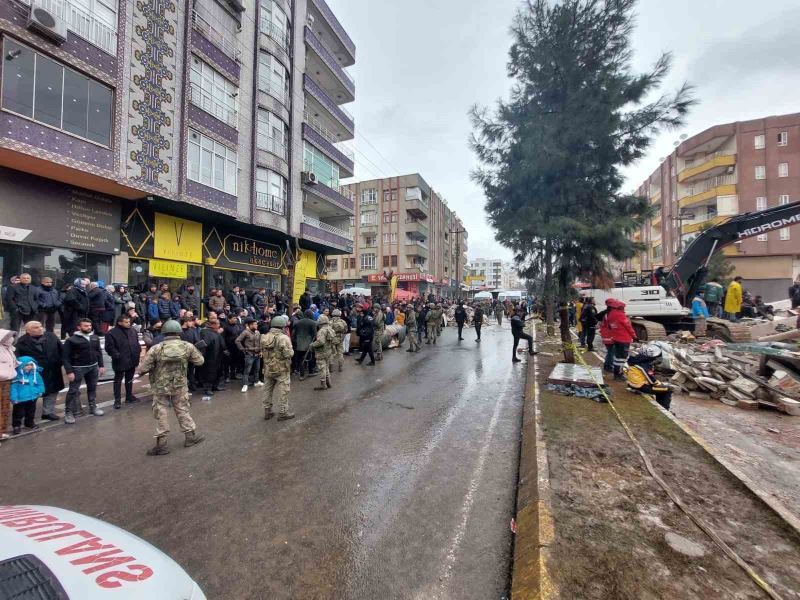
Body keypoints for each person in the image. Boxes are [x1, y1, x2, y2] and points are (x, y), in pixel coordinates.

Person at [138, 320, 206, 456]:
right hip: (180, 384)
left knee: (161, 413)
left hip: (160, 386)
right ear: (179, 332)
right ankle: (190, 437)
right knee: (182, 410)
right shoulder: (187, 346)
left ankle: (161, 445)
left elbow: (142, 369)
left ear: (164, 332)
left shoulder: (156, 348)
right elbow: (200, 361)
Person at [15, 321, 63, 421]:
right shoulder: (21, 342)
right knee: (32, 394)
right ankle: (26, 419)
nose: (40, 328)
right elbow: (18, 358)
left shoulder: (51, 336)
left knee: (52, 392)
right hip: (34, 373)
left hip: (53, 370)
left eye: (41, 326)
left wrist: (60, 362)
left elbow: (61, 350)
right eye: (36, 327)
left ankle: (48, 412)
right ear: (28, 331)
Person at [62, 318, 105, 423]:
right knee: (73, 390)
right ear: (79, 327)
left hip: (93, 366)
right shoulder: (71, 340)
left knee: (92, 388)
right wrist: (69, 371)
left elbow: (98, 352)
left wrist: (101, 365)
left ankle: (93, 407)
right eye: (85, 326)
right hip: (78, 368)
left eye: (90, 325)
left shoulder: (95, 337)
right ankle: (68, 412)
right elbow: (65, 357)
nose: (89, 327)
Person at [260, 314, 295, 421]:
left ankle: (267, 411)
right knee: (284, 390)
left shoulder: (264, 336)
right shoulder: (283, 338)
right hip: (281, 369)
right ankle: (283, 412)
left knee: (267, 389)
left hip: (267, 368)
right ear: (282, 326)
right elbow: (288, 354)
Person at [105, 315, 142, 409]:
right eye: (126, 322)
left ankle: (129, 396)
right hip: (120, 361)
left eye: (129, 322)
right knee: (118, 380)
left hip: (132, 359)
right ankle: (117, 400)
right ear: (119, 322)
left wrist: (138, 351)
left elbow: (136, 343)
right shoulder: (111, 333)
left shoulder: (132, 330)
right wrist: (117, 355)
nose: (128, 323)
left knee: (129, 379)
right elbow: (109, 348)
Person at [626, 345, 672, 410]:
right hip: (640, 386)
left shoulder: (636, 360)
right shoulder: (644, 364)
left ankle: (661, 406)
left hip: (633, 383)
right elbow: (651, 379)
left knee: (660, 389)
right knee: (668, 390)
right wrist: (659, 384)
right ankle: (665, 409)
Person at [10, 356, 45, 435]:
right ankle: (16, 426)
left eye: (31, 364)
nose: (29, 366)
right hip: (20, 399)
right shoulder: (17, 375)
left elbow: (40, 383)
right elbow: (13, 387)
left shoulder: (35, 374)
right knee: (18, 413)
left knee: (31, 411)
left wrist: (40, 391)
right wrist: (14, 398)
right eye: (26, 365)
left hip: (32, 397)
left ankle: (29, 423)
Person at [604, 298, 636, 381]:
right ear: (619, 307)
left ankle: (616, 373)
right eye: (623, 307)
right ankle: (618, 375)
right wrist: (634, 336)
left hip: (616, 338)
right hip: (624, 339)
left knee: (617, 356)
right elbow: (628, 326)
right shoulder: (620, 315)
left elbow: (609, 326)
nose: (624, 308)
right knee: (622, 357)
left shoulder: (610, 314)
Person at [197, 319, 225, 398]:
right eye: (217, 324)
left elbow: (221, 343)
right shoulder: (205, 332)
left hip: (218, 356)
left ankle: (215, 386)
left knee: (217, 372)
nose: (219, 326)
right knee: (209, 373)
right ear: (212, 325)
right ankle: (207, 388)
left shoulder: (216, 333)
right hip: (210, 357)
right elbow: (204, 344)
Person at [236, 318, 263, 392]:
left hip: (257, 354)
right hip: (249, 354)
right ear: (250, 325)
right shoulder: (245, 332)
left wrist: (261, 351)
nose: (256, 325)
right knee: (247, 371)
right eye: (254, 324)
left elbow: (260, 342)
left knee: (257, 369)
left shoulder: (257, 332)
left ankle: (256, 382)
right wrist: (242, 349)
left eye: (256, 324)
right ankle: (245, 384)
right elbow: (237, 341)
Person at [311, 315, 337, 390]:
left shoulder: (322, 331)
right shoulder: (329, 328)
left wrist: (312, 345)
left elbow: (321, 342)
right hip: (328, 351)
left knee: (322, 368)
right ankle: (329, 383)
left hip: (321, 352)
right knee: (326, 368)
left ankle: (323, 385)